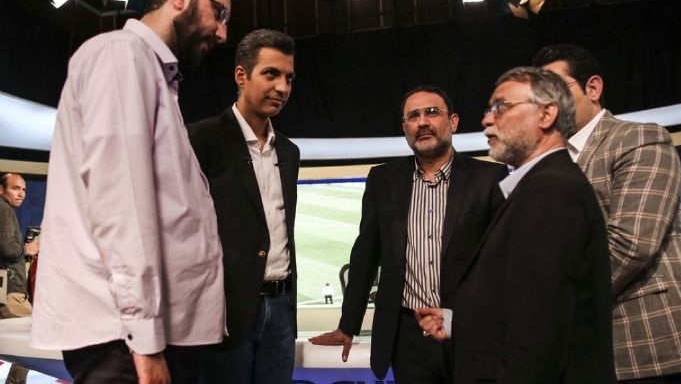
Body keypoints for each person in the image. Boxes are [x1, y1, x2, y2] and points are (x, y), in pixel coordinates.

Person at [30, 0, 230, 384]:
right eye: (220, 13)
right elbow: (121, 206)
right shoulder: (122, 55)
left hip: (137, 337)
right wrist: (145, 343)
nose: (222, 33)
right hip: (125, 341)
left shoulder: (149, 70)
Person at [417, 67, 616, 384]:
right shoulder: (539, 187)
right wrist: (459, 320)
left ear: (546, 114)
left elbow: (537, 334)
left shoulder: (549, 191)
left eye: (501, 107)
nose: (486, 120)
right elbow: (519, 302)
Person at [532, 44, 681, 383]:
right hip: (571, 353)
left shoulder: (640, 139)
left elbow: (631, 244)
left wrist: (551, 303)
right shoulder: (545, 163)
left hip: (639, 343)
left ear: (593, 88)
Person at [309, 86, 507, 383]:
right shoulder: (383, 180)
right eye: (413, 116)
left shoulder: (489, 178)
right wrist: (347, 325)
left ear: (453, 122)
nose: (422, 122)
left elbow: (503, 263)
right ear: (405, 129)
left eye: (432, 112)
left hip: (471, 332)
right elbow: (365, 256)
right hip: (408, 339)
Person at [187, 28, 299, 384]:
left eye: (288, 78)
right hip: (223, 314)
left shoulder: (290, 151)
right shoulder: (200, 139)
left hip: (281, 311)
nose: (281, 87)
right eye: (271, 74)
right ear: (241, 75)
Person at [0, 173, 39, 384]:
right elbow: (8, 249)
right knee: (31, 334)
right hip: (10, 290)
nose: (21, 193)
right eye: (15, 188)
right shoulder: (4, 210)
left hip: (5, 287)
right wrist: (27, 248)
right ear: (1, 190)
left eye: (23, 189)